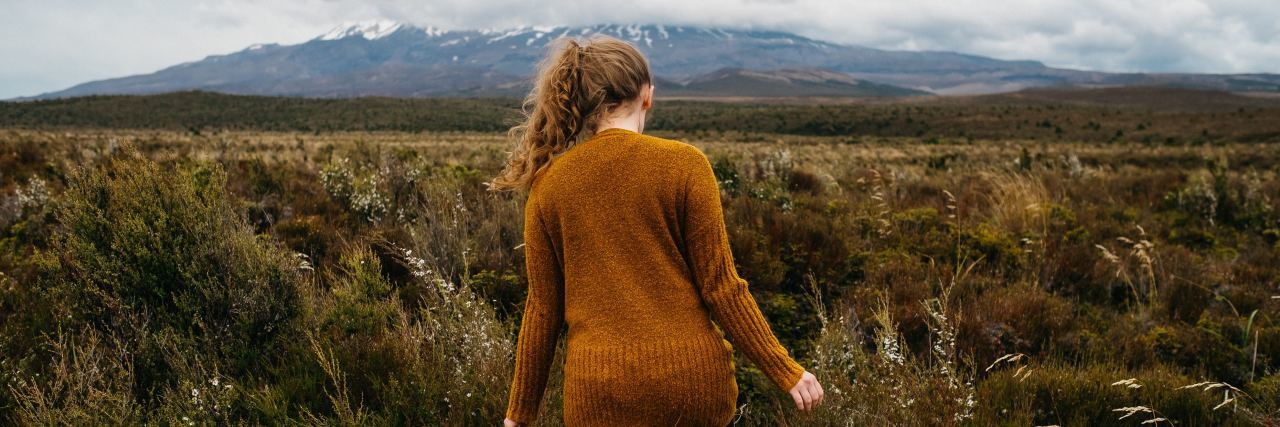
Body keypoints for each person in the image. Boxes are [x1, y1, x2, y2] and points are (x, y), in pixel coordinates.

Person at [487, 34, 823, 426]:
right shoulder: (685, 165)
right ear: (647, 95)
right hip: (693, 384)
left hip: (600, 393)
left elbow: (542, 310)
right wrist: (785, 369)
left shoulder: (548, 186)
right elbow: (722, 287)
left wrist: (519, 414)